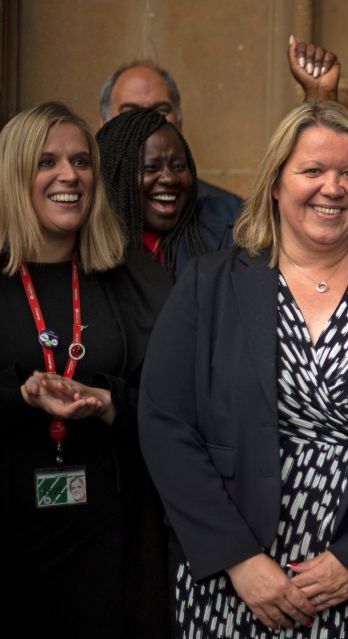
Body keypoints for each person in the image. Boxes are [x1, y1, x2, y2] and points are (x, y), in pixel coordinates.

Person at [138, 101, 348, 638]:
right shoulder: (208, 287)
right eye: (312, 170)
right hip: (233, 579)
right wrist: (238, 558)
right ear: (275, 183)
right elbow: (165, 424)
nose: (332, 188)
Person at [0, 101, 171, 637]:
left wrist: (110, 402)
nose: (68, 175)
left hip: (111, 534)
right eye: (46, 162)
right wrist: (19, 395)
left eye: (81, 161)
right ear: (13, 175)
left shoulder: (132, 276)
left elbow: (177, 406)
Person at [98, 61, 243, 233]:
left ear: (179, 123)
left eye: (160, 110)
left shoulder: (230, 215)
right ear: (105, 125)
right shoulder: (84, 209)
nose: (147, 122)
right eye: (131, 112)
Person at [97, 107, 224, 276]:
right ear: (118, 177)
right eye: (151, 168)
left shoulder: (222, 240)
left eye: (178, 167)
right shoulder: (92, 252)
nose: (169, 179)